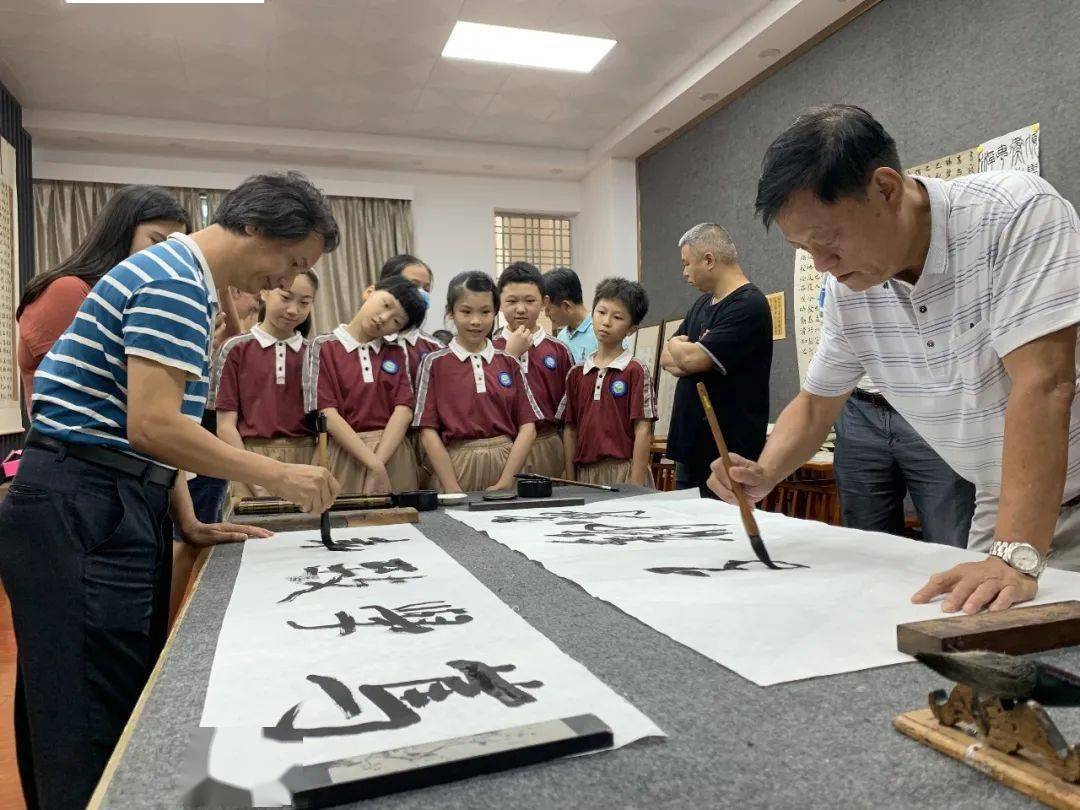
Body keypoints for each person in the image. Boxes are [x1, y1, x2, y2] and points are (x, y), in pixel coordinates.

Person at [0, 171, 342, 810]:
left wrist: (186, 518)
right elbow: (151, 425)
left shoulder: (184, 281)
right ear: (255, 227)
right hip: (84, 501)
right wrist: (278, 474)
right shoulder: (176, 282)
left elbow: (155, 428)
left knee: (80, 698)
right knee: (88, 711)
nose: (283, 284)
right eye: (289, 262)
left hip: (106, 494)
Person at [707, 103, 1080, 615]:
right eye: (804, 249)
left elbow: (1045, 385)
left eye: (827, 240)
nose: (822, 265)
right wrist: (765, 472)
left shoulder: (1013, 214)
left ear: (885, 187)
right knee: (970, 648)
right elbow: (817, 404)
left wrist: (1015, 555)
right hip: (1000, 498)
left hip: (1068, 492)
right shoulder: (849, 292)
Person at [16, 185, 191, 415]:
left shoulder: (129, 302)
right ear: (121, 232)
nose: (166, 258)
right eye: (156, 242)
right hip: (78, 444)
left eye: (174, 250)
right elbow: (87, 385)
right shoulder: (68, 291)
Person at [659, 223, 773, 495]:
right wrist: (680, 350)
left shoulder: (748, 305)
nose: (684, 272)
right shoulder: (701, 304)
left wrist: (679, 347)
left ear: (709, 260)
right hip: (690, 447)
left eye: (687, 264)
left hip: (726, 454)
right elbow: (667, 359)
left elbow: (692, 361)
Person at [414, 271, 542, 492]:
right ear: (450, 312)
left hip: (507, 463)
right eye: (466, 312)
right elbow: (427, 431)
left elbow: (528, 427)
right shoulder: (435, 363)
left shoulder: (508, 362)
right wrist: (452, 487)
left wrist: (506, 480)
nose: (476, 321)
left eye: (485, 312)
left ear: (495, 312)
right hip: (455, 467)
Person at [305, 276, 427, 494]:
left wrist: (378, 463)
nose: (384, 318)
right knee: (344, 522)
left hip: (393, 454)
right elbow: (327, 413)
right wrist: (372, 463)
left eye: (396, 321)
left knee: (401, 523)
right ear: (369, 292)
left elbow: (404, 410)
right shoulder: (322, 346)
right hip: (343, 454)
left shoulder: (397, 352)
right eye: (386, 304)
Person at [214, 270, 320, 497]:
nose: (293, 310)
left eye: (304, 302)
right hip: (246, 458)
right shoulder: (235, 348)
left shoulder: (315, 352)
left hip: (305, 459)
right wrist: (254, 476)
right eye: (285, 297)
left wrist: (312, 470)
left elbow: (325, 423)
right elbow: (225, 425)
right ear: (264, 292)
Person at [559, 277, 656, 486]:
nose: (606, 322)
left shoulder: (635, 370)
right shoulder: (576, 373)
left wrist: (636, 484)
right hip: (585, 475)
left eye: (618, 317)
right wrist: (570, 478)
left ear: (631, 329)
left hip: (625, 472)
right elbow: (570, 430)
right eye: (601, 312)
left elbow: (643, 430)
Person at [493, 262, 573, 478]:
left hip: (547, 444)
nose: (520, 308)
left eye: (529, 301)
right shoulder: (490, 349)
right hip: (503, 447)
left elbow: (570, 414)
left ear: (544, 302)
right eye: (511, 301)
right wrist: (509, 355)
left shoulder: (559, 350)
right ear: (499, 303)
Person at [379, 253, 441, 382]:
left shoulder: (435, 349)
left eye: (426, 288)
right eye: (413, 285)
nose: (421, 293)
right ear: (388, 285)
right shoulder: (367, 344)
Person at [543, 266, 598, 363]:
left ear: (566, 306)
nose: (546, 315)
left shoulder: (602, 333)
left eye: (548, 309)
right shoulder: (562, 337)